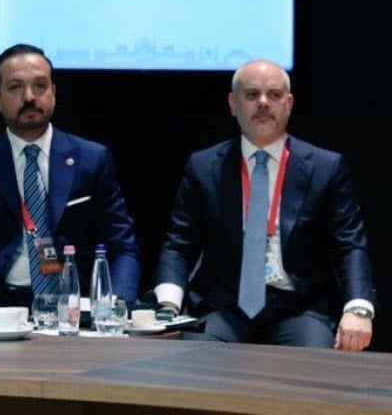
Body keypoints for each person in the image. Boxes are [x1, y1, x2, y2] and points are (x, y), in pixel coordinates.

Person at [155, 59, 375, 350]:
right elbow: (179, 244)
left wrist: (359, 307)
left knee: (315, 362)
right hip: (225, 306)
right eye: (251, 95)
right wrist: (168, 305)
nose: (263, 103)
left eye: (274, 95)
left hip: (300, 308)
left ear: (289, 103)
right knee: (197, 356)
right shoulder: (204, 166)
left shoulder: (326, 167)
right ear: (233, 104)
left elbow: (350, 246)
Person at [0, 44, 141, 332]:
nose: (29, 97)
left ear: (53, 93)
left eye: (40, 86)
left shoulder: (92, 159)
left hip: (76, 306)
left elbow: (124, 247)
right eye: (16, 87)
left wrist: (115, 303)